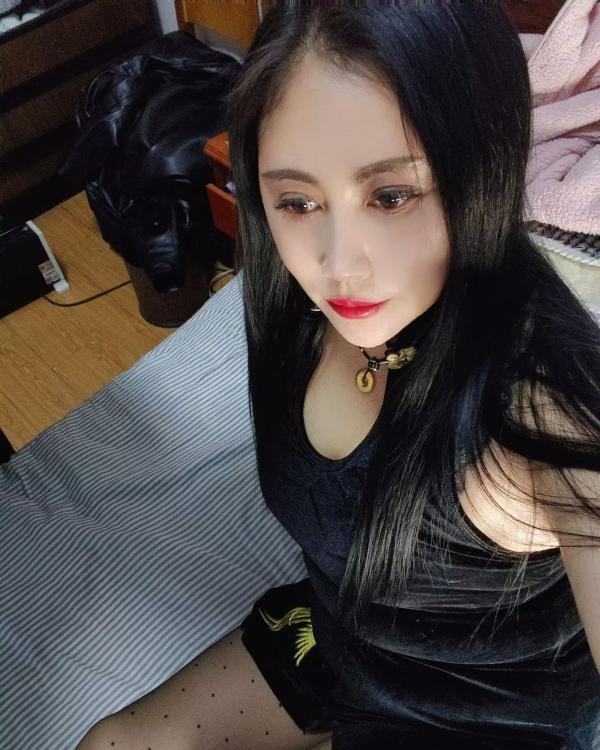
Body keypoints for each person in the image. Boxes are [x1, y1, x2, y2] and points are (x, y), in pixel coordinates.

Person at [76, 3, 600, 749]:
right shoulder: (290, 301)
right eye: (297, 201)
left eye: (391, 195)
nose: (337, 263)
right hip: (338, 645)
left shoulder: (543, 402)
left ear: (483, 162)